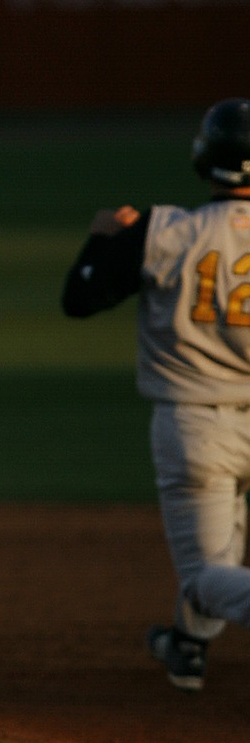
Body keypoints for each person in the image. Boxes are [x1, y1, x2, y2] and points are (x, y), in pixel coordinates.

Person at [61, 97, 250, 692]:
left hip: (197, 426)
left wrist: (101, 240)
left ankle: (189, 641)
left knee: (205, 574)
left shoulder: (163, 231)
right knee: (226, 546)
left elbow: (80, 300)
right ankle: (186, 649)